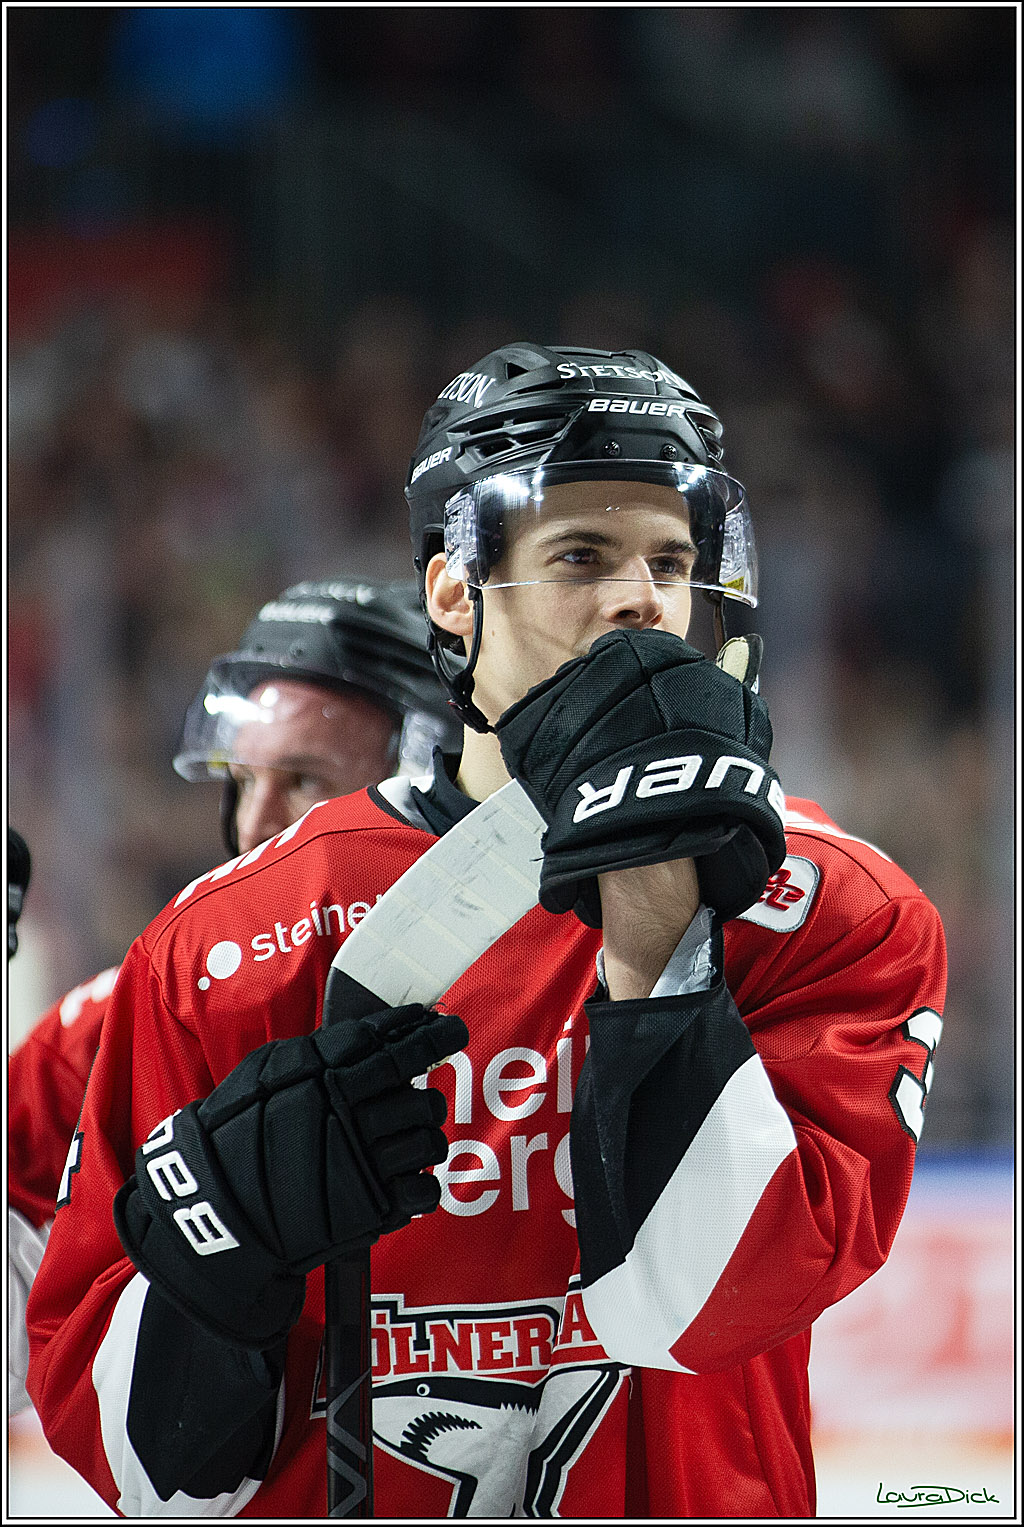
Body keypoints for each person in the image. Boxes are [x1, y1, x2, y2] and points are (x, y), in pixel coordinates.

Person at [26, 344, 945, 1518]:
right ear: (456, 594)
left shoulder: (831, 907)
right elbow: (144, 1472)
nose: (643, 600)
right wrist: (215, 1269)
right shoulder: (229, 940)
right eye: (580, 555)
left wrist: (660, 904)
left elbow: (704, 1307)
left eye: (671, 559)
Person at [8, 578, 456, 1415]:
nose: (253, 826)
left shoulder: (555, 984)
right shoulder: (141, 1011)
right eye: (240, 780)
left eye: (303, 781)